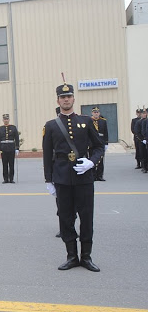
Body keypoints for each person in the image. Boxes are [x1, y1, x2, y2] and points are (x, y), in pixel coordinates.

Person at [43, 81, 104, 272]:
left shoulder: (86, 121)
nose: (66, 100)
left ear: (73, 99)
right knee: (65, 218)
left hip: (83, 176)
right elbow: (46, 154)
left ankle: (86, 256)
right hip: (61, 177)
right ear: (58, 100)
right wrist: (48, 180)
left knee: (86, 217)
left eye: (69, 96)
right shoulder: (51, 125)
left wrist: (91, 162)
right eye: (63, 97)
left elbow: (99, 146)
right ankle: (71, 256)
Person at [0, 114, 19, 183]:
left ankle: (11, 179)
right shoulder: (0, 129)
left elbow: (16, 138)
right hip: (3, 148)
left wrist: (17, 148)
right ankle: (5, 179)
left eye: (7, 119)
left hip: (11, 147)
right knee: (4, 164)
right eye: (4, 119)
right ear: (3, 120)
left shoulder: (13, 128)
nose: (6, 120)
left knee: (11, 164)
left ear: (9, 120)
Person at [90, 107, 108, 181]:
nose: (96, 114)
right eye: (94, 112)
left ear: (99, 113)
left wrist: (106, 143)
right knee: (92, 159)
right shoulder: (90, 121)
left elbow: (106, 132)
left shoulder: (103, 121)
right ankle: (93, 175)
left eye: (97, 112)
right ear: (92, 113)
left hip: (101, 142)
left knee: (100, 159)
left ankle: (100, 175)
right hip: (92, 143)